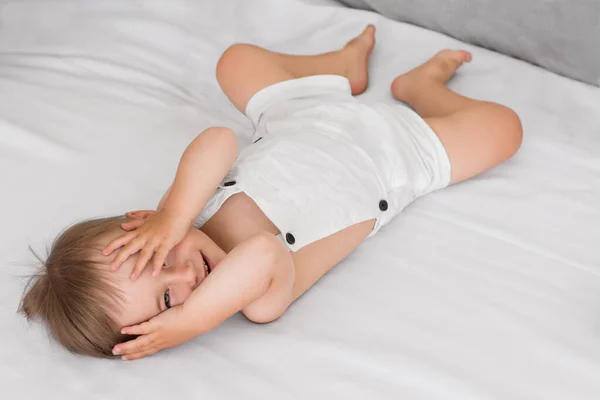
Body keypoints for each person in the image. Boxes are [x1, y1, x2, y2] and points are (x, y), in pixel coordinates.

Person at [19, 25, 522, 360]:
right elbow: (262, 251)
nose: (186, 272)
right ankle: (424, 91)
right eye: (169, 299)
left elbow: (218, 140)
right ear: (164, 334)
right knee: (503, 129)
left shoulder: (192, 212)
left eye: (160, 255)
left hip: (299, 115)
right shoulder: (259, 300)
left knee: (235, 60)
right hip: (398, 155)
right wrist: (197, 318)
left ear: (143, 222)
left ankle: (339, 66)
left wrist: (174, 214)